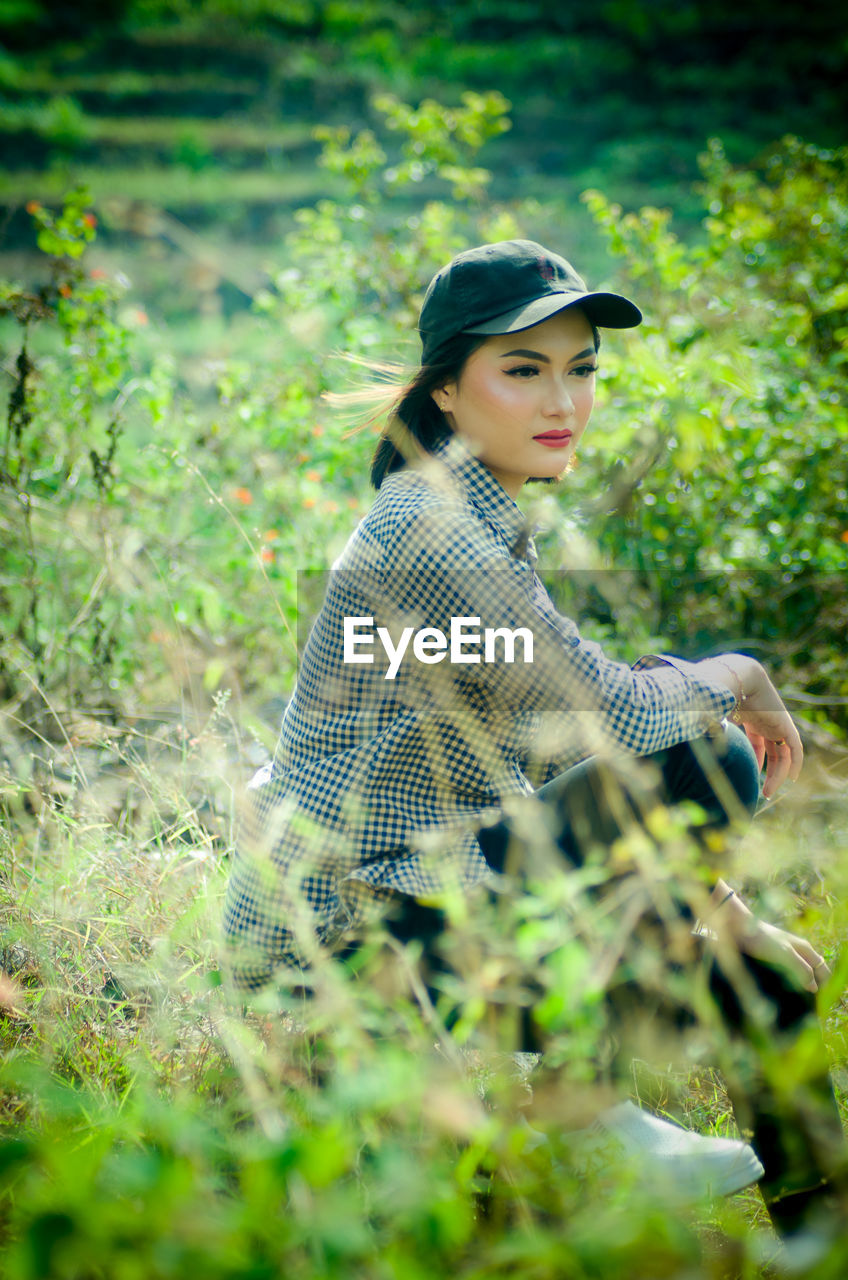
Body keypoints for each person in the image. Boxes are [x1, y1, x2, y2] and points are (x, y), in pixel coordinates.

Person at [223, 240, 845, 1233]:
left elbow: (567, 743)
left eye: (580, 368)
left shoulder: (479, 519)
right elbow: (628, 720)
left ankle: (815, 1238)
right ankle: (577, 1110)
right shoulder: (430, 537)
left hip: (446, 902)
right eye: (523, 369)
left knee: (757, 976)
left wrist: (723, 908)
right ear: (444, 397)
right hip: (350, 933)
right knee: (711, 750)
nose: (562, 400)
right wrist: (741, 673)